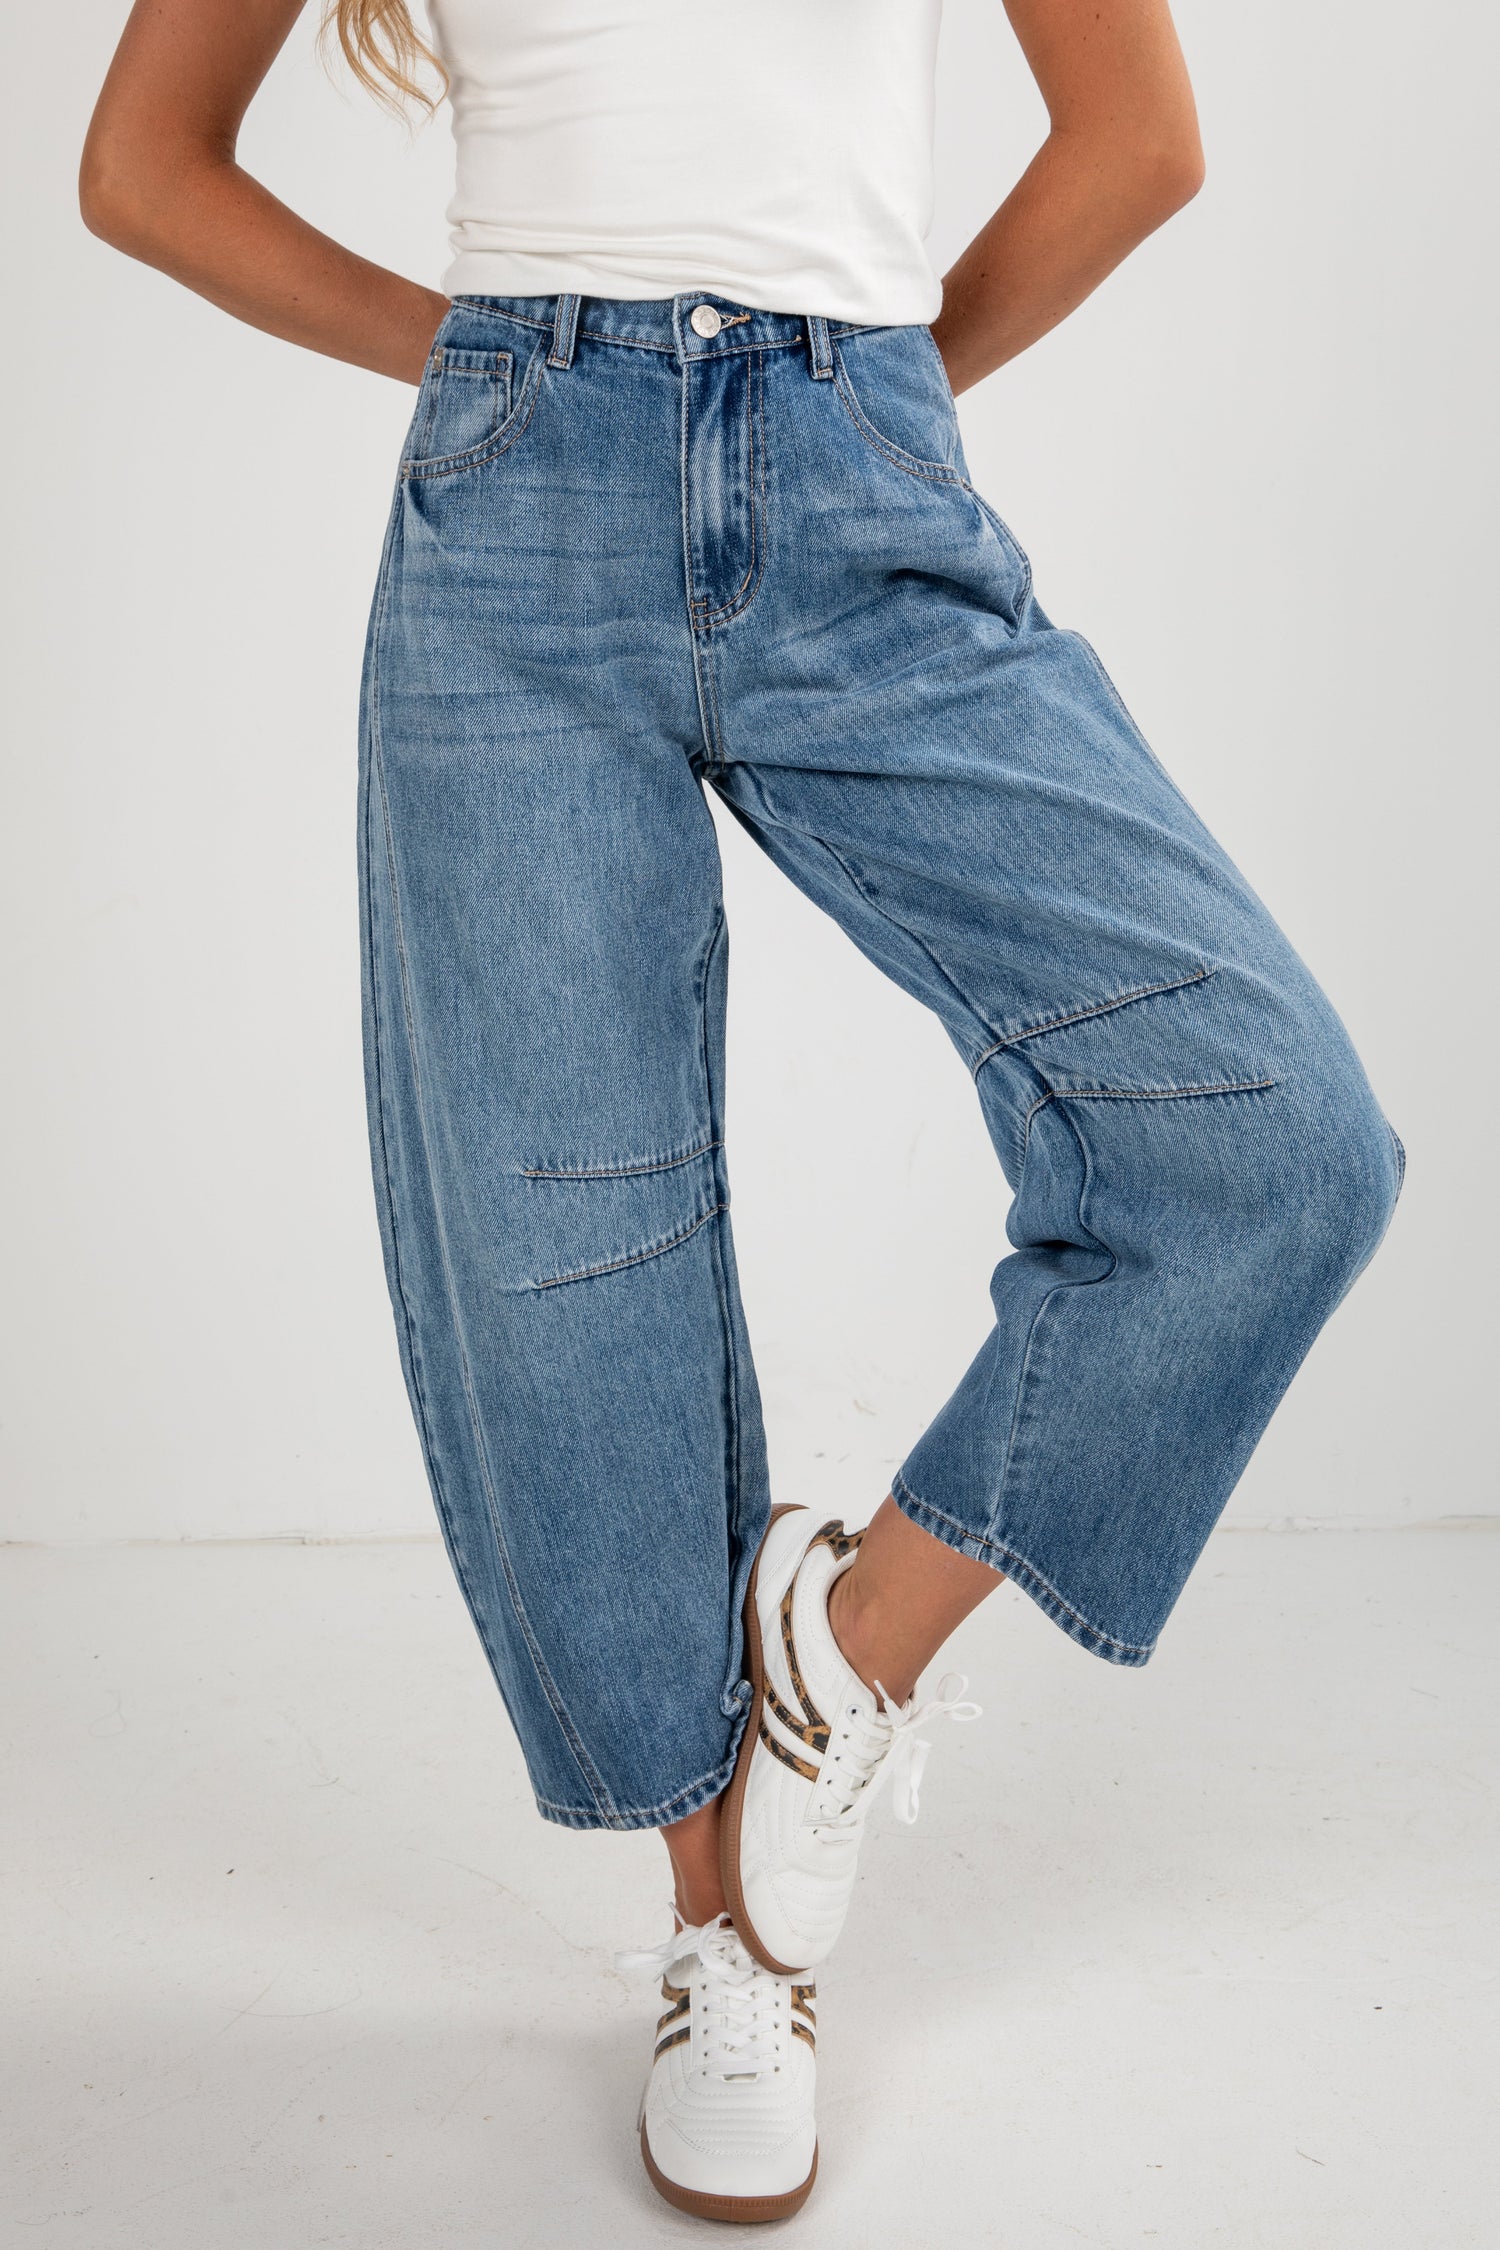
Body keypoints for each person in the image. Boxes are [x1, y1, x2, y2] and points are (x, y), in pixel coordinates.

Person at [81, 0, 1402, 2224]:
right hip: (517, 503)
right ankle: (738, 1948)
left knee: (1267, 1140)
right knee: (568, 1229)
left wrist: (855, 428)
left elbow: (1140, 137)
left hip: (860, 459)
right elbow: (144, 163)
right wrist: (491, 367)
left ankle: (837, 1655)